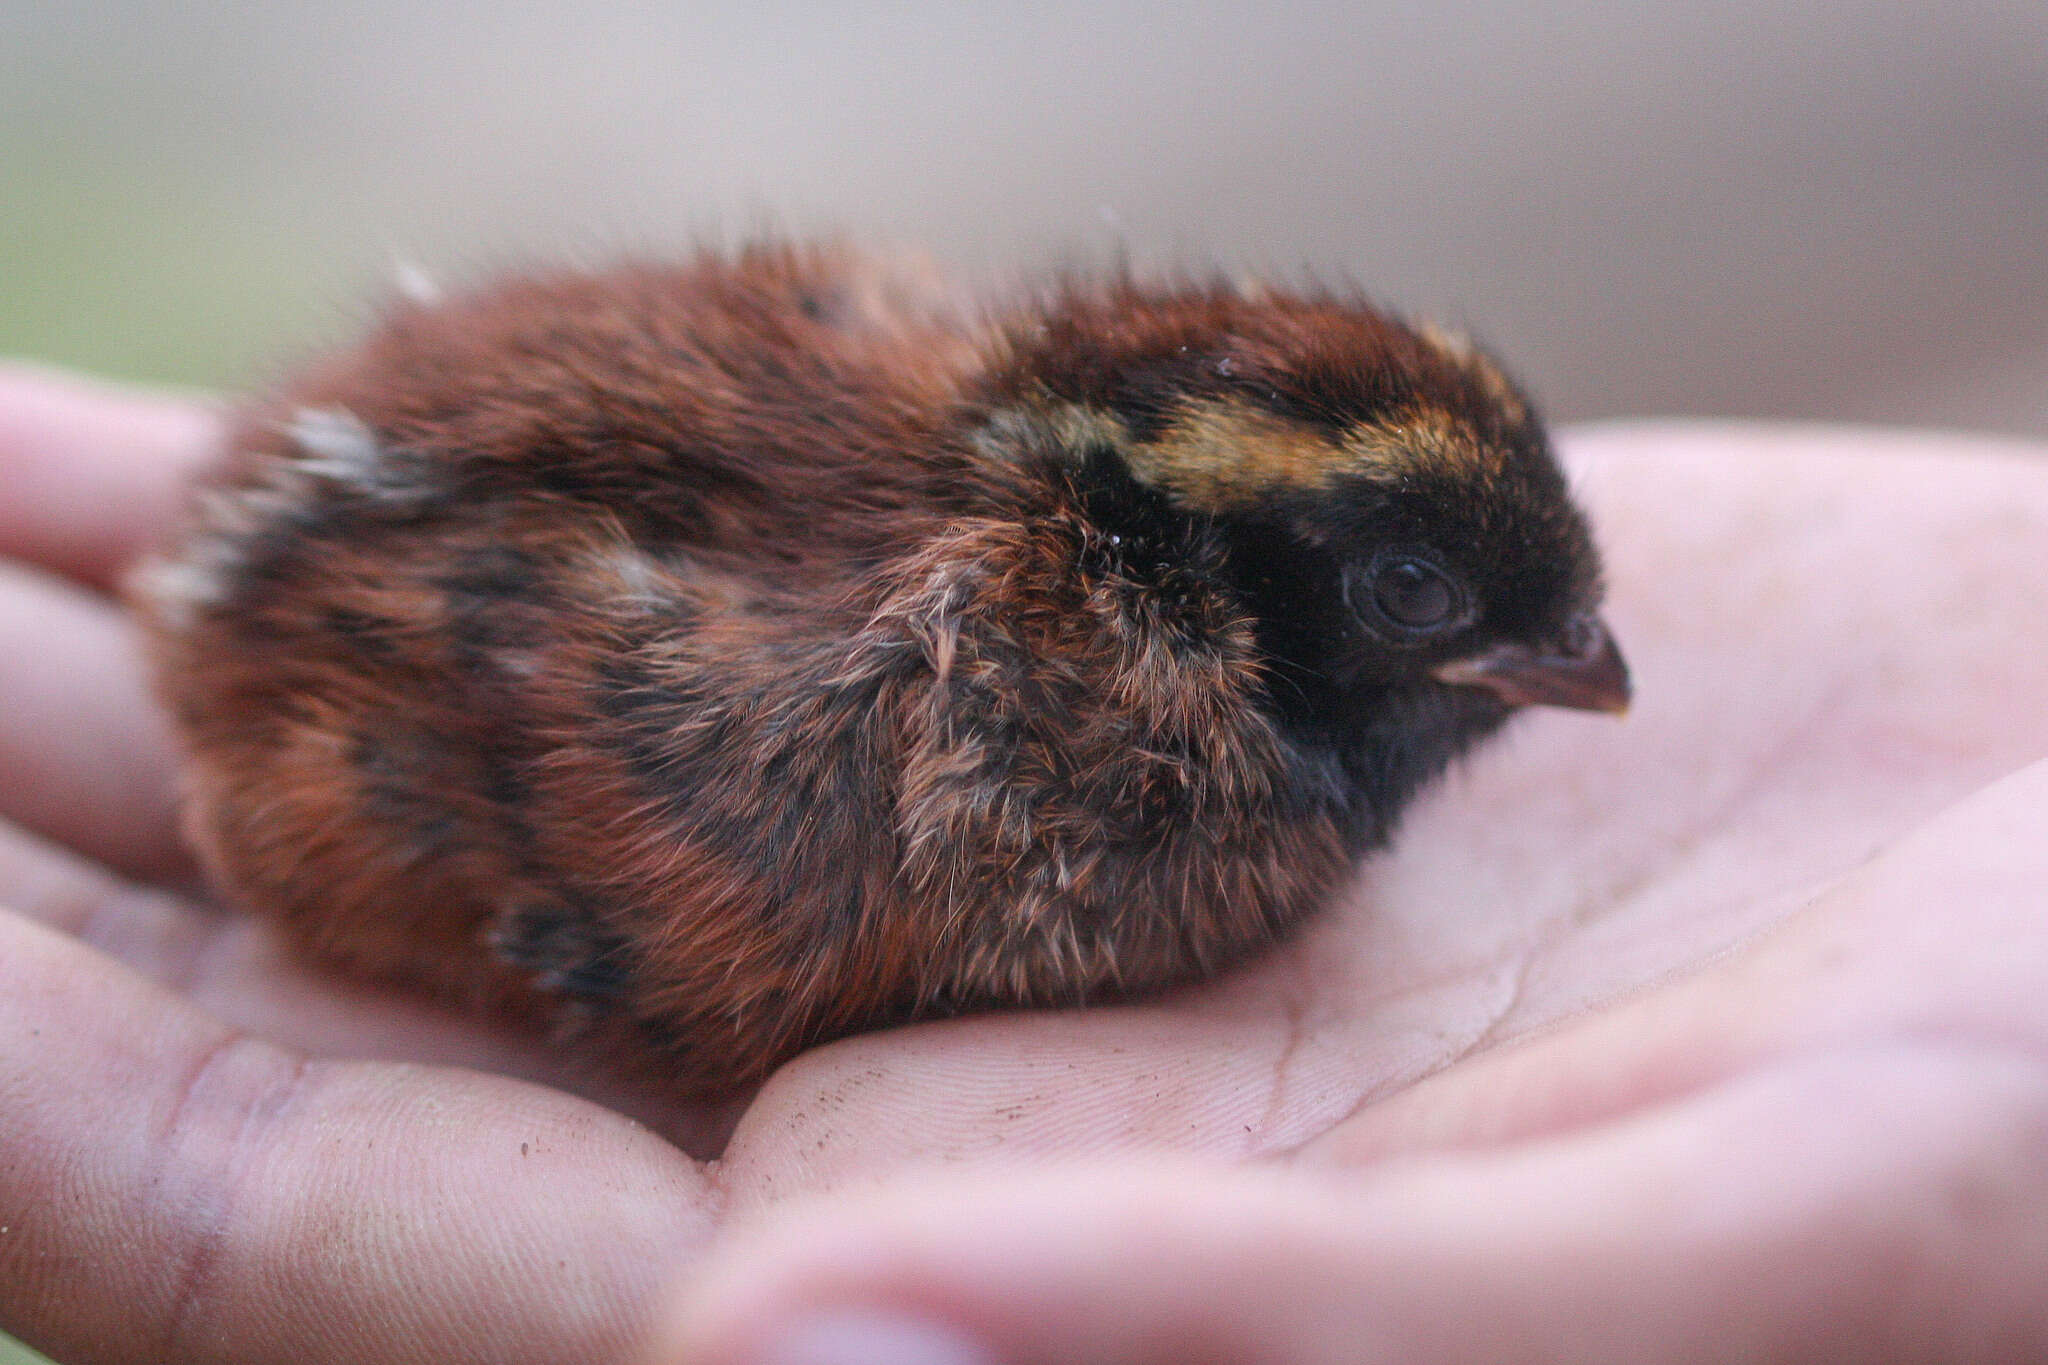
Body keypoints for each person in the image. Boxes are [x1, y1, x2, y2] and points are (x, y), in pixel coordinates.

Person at [1, 362, 2043, 1365]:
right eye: (1416, 588)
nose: (1579, 668)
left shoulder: (1117, 655)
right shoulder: (1072, 743)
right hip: (365, 699)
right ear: (1210, 563)